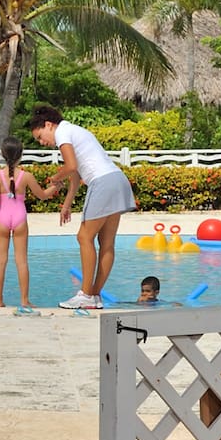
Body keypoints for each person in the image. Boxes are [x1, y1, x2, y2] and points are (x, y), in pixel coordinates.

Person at [28, 104, 138, 309]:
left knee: (84, 237)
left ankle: (86, 295)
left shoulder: (62, 133)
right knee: (106, 243)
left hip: (103, 182)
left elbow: (69, 168)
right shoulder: (73, 131)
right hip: (117, 180)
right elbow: (76, 177)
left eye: (40, 137)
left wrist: (55, 178)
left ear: (49, 125)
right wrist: (67, 205)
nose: (42, 142)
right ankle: (94, 296)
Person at [0, 136, 48, 308]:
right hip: (20, 219)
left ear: (3, 154)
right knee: (22, 261)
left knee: (0, 261)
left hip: (2, 219)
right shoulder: (26, 176)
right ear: (20, 155)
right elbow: (42, 195)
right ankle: (24, 300)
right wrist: (57, 186)